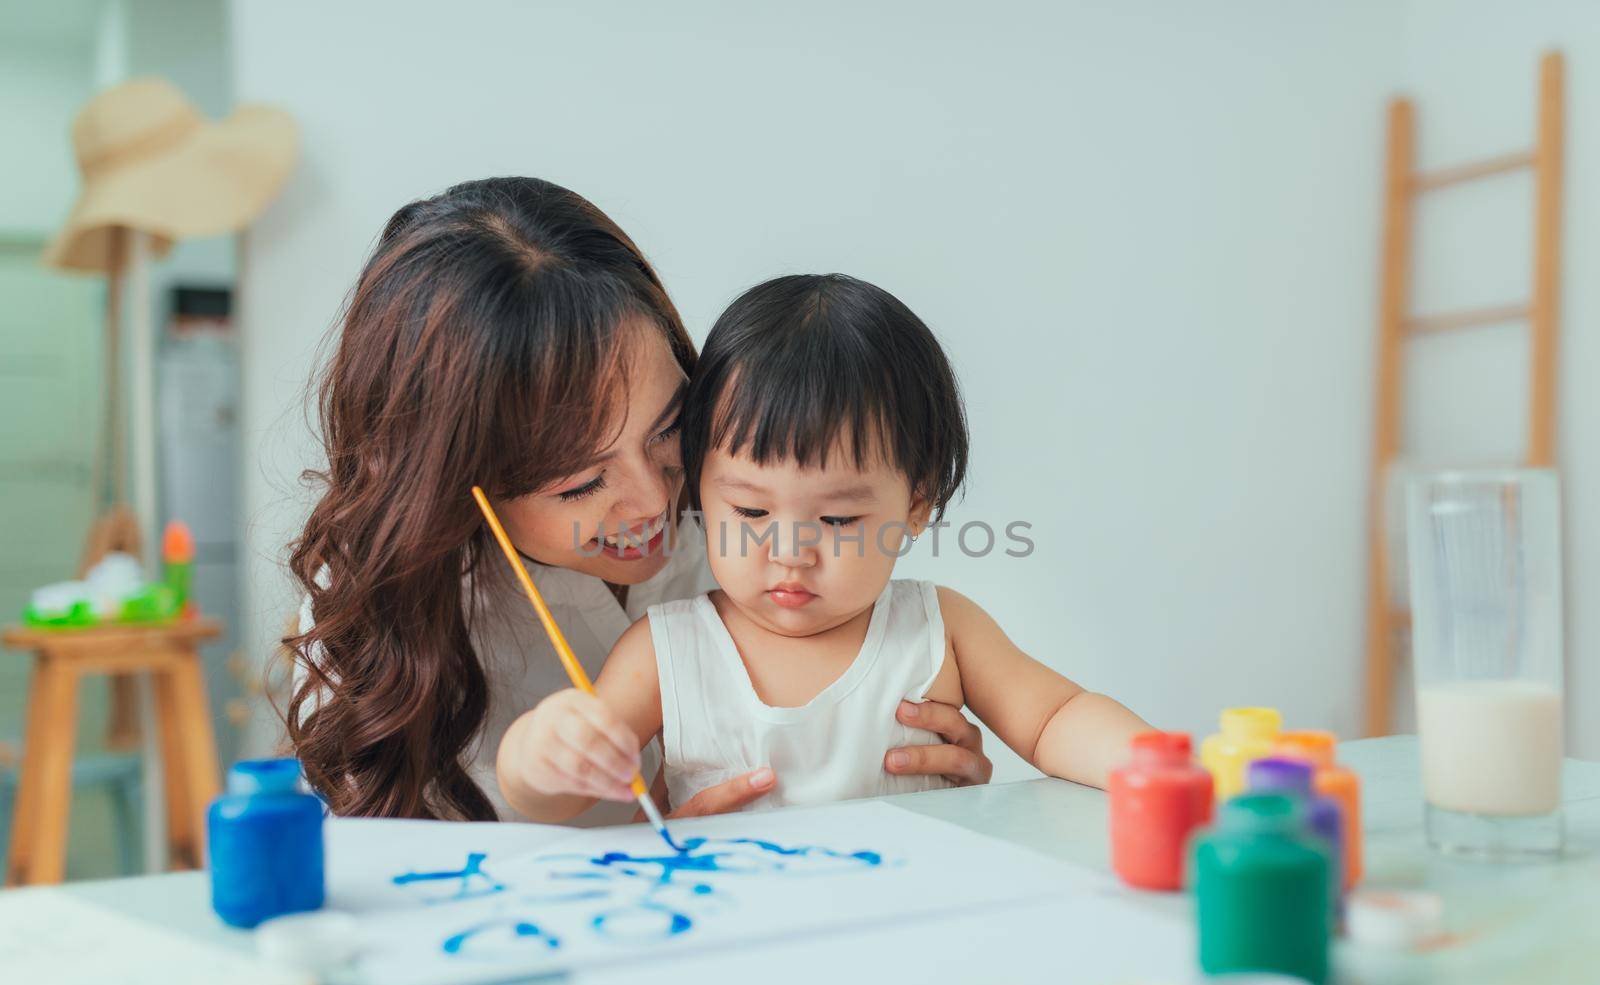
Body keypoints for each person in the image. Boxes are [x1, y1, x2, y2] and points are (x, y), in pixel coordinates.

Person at [286, 180, 992, 821]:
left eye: (669, 431)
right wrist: (636, 859)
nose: (654, 500)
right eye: (579, 484)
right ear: (452, 488)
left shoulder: (749, 504)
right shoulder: (377, 612)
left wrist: (904, 762)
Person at [496, 273, 1148, 820]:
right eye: (750, 510)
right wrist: (542, 757)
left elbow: (1057, 718)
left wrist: (1158, 765)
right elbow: (559, 800)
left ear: (915, 505)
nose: (789, 551)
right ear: (699, 489)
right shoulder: (667, 651)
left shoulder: (938, 629)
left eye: (836, 521)